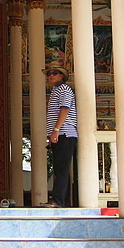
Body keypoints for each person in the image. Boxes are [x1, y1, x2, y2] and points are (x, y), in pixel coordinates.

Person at [43, 62, 77, 208]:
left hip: (65, 133)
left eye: (54, 73)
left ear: (62, 76)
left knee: (61, 168)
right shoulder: (56, 91)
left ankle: (57, 200)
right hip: (60, 134)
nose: (50, 76)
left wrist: (56, 130)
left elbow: (65, 109)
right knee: (61, 167)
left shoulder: (64, 90)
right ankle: (63, 201)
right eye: (49, 74)